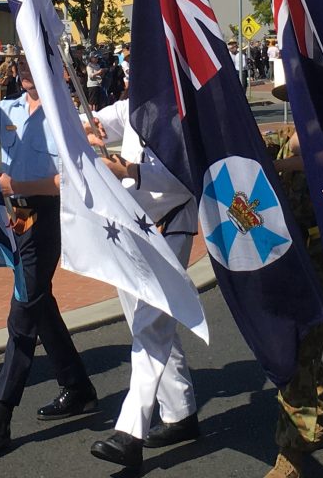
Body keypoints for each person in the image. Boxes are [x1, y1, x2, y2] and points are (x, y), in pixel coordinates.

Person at [0, 53, 97, 452]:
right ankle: (77, 386)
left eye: (33, 62)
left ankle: (0, 414)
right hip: (20, 215)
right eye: (20, 63)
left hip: (51, 214)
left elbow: (65, 182)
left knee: (23, 309)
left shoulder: (68, 118)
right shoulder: (5, 109)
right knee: (39, 302)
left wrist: (13, 184)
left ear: (56, 69)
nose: (24, 69)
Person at [86, 98, 199, 469]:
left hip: (169, 226)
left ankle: (129, 433)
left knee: (151, 327)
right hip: (130, 228)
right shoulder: (133, 105)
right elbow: (94, 122)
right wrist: (85, 128)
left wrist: (125, 170)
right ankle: (180, 412)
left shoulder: (185, 108)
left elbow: (185, 176)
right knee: (150, 323)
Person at [259, 108, 323, 478]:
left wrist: (287, 164)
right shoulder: (279, 140)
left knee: (299, 352)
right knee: (297, 346)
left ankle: (290, 455)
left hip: (321, 261)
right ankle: (322, 409)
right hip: (283, 262)